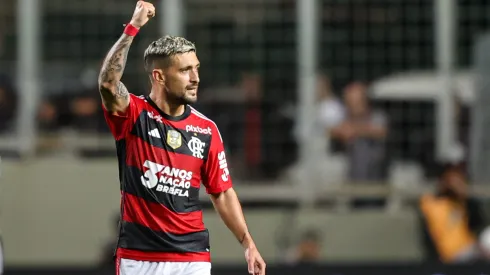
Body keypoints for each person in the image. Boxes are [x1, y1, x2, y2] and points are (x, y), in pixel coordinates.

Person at [97, 2, 266, 275]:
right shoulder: (133, 115)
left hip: (192, 256)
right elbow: (108, 84)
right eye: (185, 70)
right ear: (159, 76)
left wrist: (248, 243)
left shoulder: (206, 129)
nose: (195, 77)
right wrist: (134, 27)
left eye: (196, 68)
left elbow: (222, 192)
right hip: (139, 258)